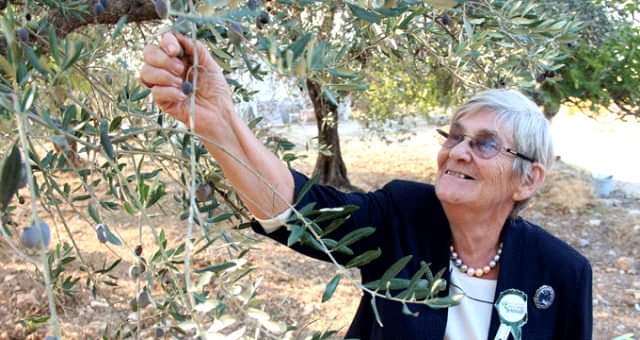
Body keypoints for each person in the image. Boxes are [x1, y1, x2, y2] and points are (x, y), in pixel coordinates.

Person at [140, 33, 592, 340]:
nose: (457, 151)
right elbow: (297, 211)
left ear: (528, 179)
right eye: (455, 136)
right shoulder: (402, 216)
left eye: (485, 144)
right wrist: (220, 120)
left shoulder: (561, 272)